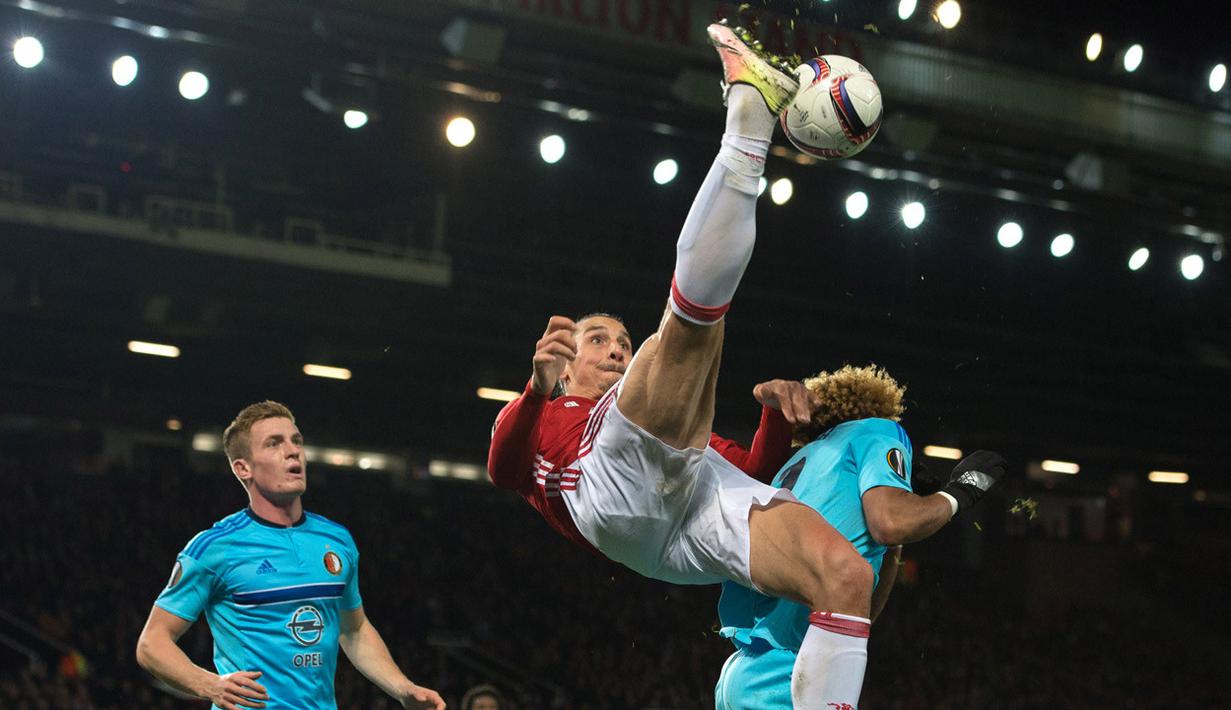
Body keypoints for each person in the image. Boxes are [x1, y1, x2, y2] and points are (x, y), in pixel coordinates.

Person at [487, 22, 1008, 707]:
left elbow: (753, 469)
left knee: (843, 574)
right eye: (596, 339)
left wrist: (770, 412)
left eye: (618, 338)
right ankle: (748, 122)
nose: (613, 346)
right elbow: (502, 466)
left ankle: (752, 115)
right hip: (609, 501)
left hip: (686, 511)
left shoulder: (656, 412)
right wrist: (533, 388)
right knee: (684, 335)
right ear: (567, 357)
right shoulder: (552, 416)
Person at [713, 365, 1008, 709]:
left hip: (744, 675)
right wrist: (958, 493)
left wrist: (894, 534)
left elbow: (856, 610)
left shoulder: (798, 464)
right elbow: (891, 522)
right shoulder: (879, 430)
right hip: (792, 672)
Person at [135, 401, 445, 710]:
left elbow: (355, 629)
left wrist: (403, 688)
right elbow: (152, 643)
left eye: (296, 440)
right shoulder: (214, 548)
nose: (292, 450)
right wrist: (210, 684)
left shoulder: (337, 540)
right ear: (243, 468)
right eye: (274, 443)